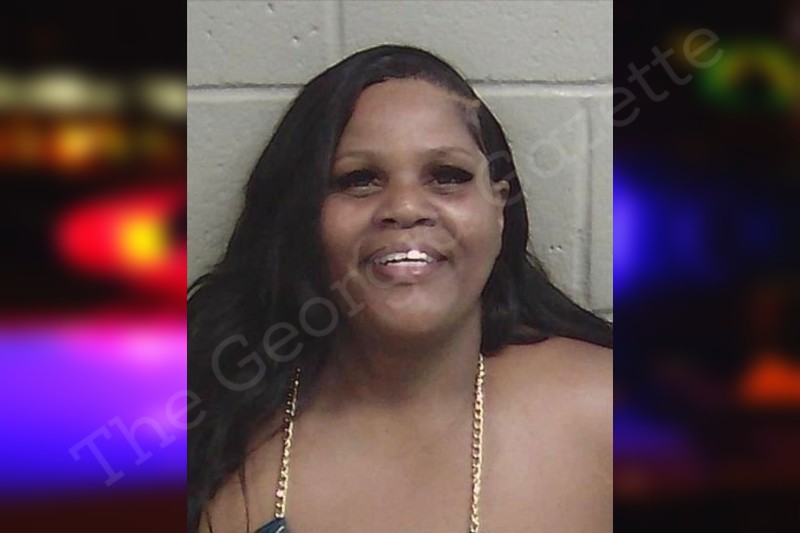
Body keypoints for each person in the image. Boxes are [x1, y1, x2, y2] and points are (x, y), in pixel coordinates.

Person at [188, 44, 612, 533]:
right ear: (303, 216)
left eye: (447, 177)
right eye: (359, 179)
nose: (406, 207)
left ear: (499, 208)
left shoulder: (614, 410)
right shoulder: (204, 423)